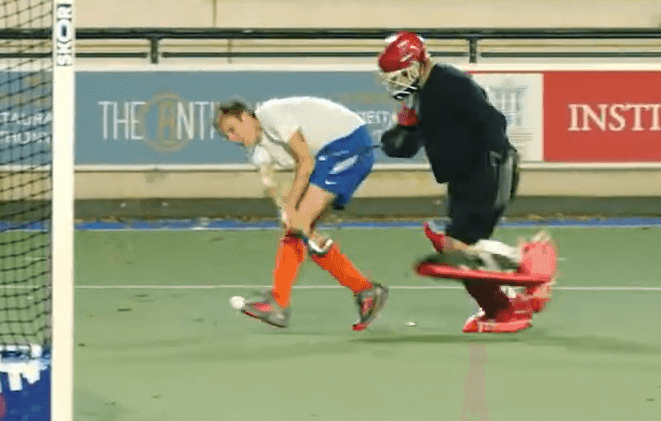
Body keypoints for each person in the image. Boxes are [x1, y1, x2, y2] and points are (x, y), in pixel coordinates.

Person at [375, 31, 547, 334]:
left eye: (400, 75)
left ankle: (520, 266)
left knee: (460, 250)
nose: (396, 83)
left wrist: (490, 162)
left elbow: (494, 121)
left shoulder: (449, 82)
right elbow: (409, 144)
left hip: (485, 170)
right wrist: (399, 135)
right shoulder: (423, 94)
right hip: (463, 177)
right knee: (459, 252)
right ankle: (507, 305)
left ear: (417, 64)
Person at [216, 97, 389, 331]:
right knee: (298, 232)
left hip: (347, 145)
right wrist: (289, 209)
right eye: (227, 136)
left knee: (299, 225)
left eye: (232, 130)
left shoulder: (270, 113)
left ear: (245, 116)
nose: (232, 139)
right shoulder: (263, 149)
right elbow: (285, 179)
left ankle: (280, 303)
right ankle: (365, 291)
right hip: (332, 157)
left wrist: (291, 206)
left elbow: (305, 162)